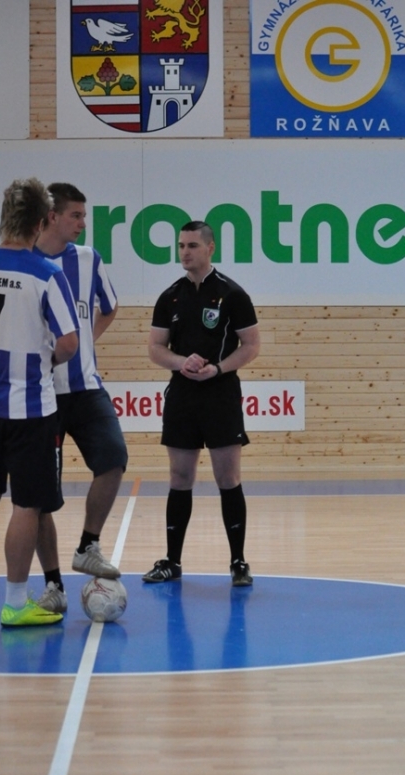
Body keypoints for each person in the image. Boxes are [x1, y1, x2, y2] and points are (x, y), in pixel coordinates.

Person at [0, 177, 79, 626]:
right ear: (43, 220)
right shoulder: (46, 273)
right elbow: (69, 343)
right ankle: (14, 601)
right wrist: (45, 359)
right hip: (29, 408)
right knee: (27, 504)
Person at [143, 220, 260, 587]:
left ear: (210, 248)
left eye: (192, 245)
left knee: (228, 477)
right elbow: (155, 348)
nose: (185, 252)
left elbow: (251, 346)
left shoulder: (232, 294)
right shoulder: (170, 296)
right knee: (180, 476)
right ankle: (172, 561)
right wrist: (182, 362)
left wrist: (218, 368)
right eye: (181, 246)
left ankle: (238, 562)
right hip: (182, 395)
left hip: (220, 394)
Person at [33, 183, 129, 614]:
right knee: (40, 497)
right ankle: (53, 585)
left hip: (87, 387)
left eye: (84, 216)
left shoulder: (88, 259)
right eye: (76, 215)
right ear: (51, 216)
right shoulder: (26, 264)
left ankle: (88, 545)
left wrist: (83, 343)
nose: (83, 223)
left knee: (113, 458)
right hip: (41, 396)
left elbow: (110, 306)